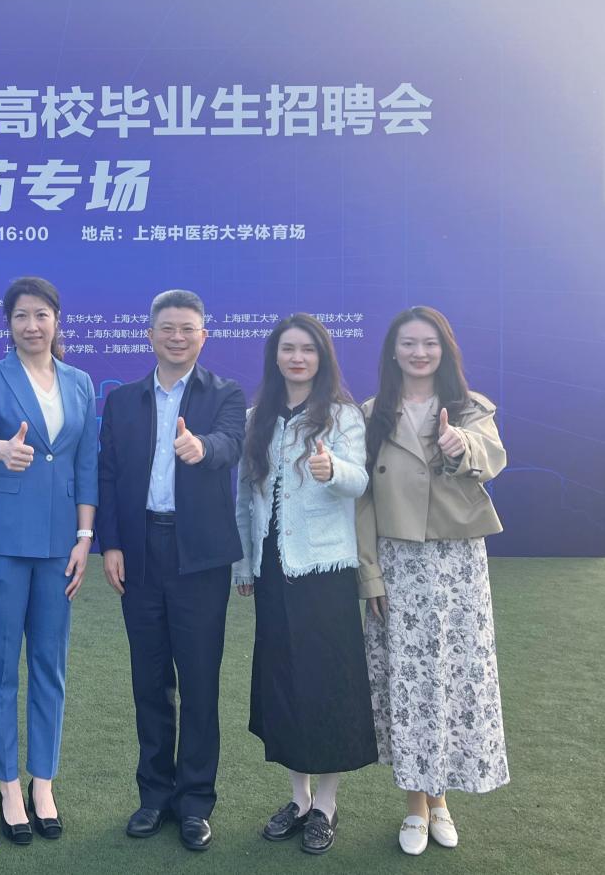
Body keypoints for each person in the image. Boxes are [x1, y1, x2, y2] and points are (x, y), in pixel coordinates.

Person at [95, 289, 246, 852]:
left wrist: (201, 447)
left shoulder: (226, 394)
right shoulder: (123, 401)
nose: (177, 337)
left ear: (203, 336)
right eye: (167, 328)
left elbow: (230, 444)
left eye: (187, 329)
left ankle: (195, 802)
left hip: (199, 557)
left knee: (200, 682)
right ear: (150, 335)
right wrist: (111, 544)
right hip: (140, 552)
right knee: (150, 680)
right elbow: (108, 472)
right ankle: (154, 795)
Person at [358, 306, 509, 855]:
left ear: (444, 350)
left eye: (429, 343)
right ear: (393, 352)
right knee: (410, 682)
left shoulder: (469, 408)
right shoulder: (370, 414)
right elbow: (362, 501)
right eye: (408, 343)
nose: (419, 352)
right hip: (397, 560)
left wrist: (459, 445)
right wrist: (370, 574)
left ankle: (441, 798)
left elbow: (492, 456)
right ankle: (416, 806)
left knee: (453, 675)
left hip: (457, 562)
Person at [232, 313, 377, 855]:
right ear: (275, 356)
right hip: (272, 571)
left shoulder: (341, 415)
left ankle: (327, 806)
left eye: (308, 349)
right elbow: (246, 497)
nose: (297, 358)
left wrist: (332, 469)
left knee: (327, 682)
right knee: (285, 681)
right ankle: (298, 799)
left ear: (322, 357)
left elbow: (359, 480)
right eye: (288, 348)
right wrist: (244, 564)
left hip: (325, 570)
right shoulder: (257, 418)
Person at [0, 276, 98, 845]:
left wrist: (85, 536)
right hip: (2, 542)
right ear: (9, 323)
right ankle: (8, 786)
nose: (32, 325)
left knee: (50, 664)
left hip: (61, 544)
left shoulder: (80, 382)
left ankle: (44, 782)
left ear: (57, 319)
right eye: (21, 315)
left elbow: (86, 463)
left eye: (41, 314)